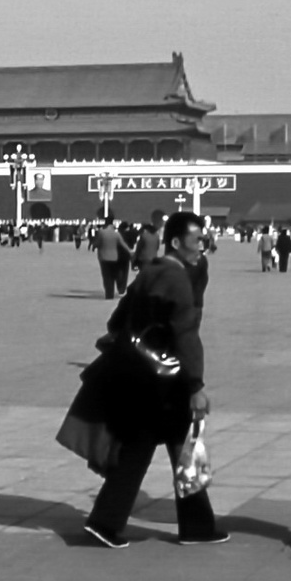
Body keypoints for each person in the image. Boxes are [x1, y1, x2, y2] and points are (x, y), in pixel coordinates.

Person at [74, 212, 226, 548]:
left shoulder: (150, 274)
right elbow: (186, 335)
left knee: (152, 447)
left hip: (140, 377)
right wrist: (196, 385)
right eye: (197, 240)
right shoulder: (178, 281)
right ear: (175, 242)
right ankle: (190, 526)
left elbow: (117, 322)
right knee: (180, 443)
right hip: (168, 380)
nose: (203, 246)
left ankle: (109, 522)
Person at [93, 216, 128, 299]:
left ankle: (109, 294)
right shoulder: (116, 233)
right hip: (114, 257)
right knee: (113, 276)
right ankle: (116, 288)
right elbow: (123, 245)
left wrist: (94, 246)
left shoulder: (102, 232)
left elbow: (97, 243)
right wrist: (131, 252)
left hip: (104, 257)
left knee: (107, 277)